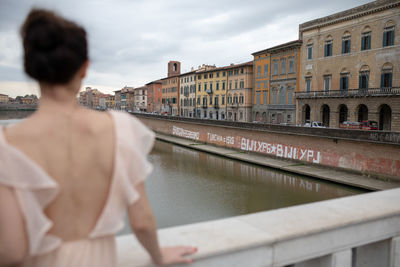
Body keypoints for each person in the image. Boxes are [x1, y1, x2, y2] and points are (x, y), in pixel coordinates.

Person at [0, 9, 197, 267]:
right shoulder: (121, 130)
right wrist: (158, 256)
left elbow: (12, 252)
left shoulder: (6, 144)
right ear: (84, 68)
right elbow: (141, 221)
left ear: (30, 69)